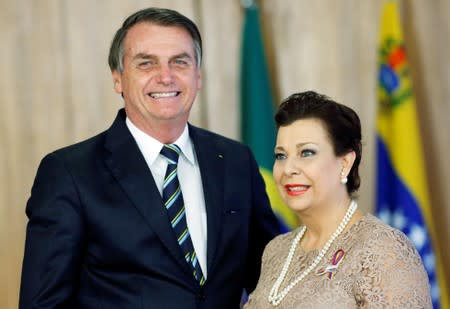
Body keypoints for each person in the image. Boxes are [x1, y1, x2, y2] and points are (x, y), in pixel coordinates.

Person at [19, 7, 281, 308]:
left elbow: (271, 277)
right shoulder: (69, 173)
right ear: (118, 79)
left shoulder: (236, 160)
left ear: (198, 76)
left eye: (179, 62)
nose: (165, 77)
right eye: (146, 63)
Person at [244, 91, 432, 308]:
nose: (289, 169)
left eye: (306, 153)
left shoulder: (383, 250)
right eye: (281, 156)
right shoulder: (276, 250)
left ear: (345, 163)